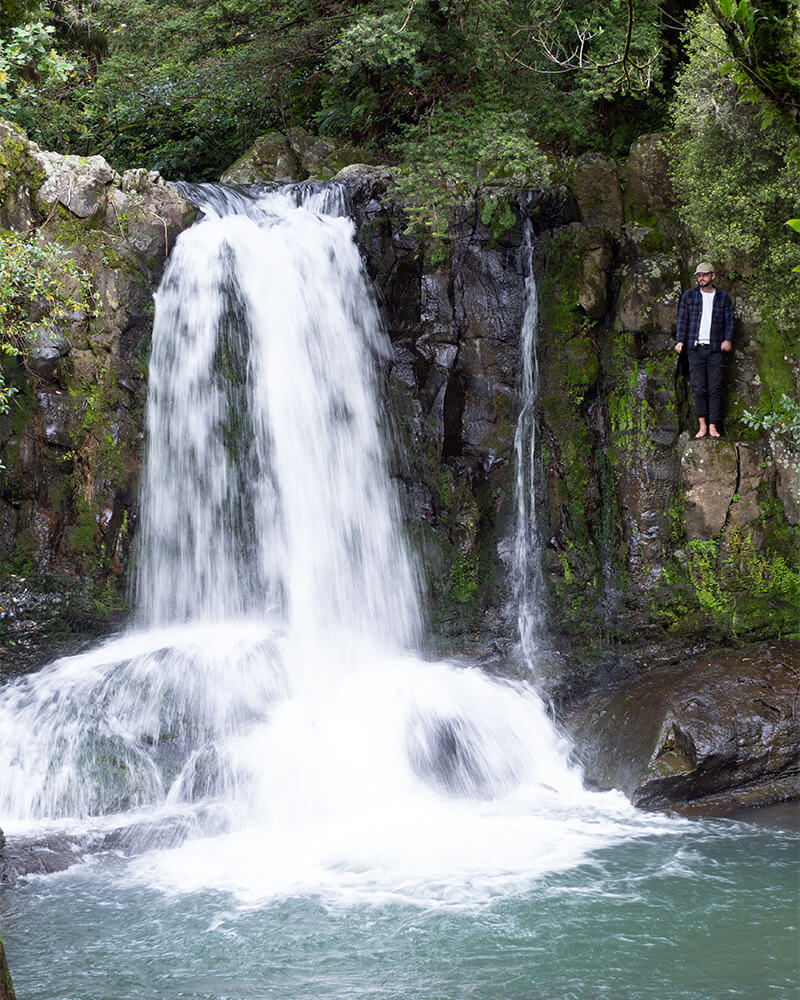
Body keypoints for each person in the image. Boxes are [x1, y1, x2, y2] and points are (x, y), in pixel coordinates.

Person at [675, 262, 734, 438]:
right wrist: (680, 340)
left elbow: (730, 321)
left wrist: (728, 339)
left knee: (715, 389)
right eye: (699, 275)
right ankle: (702, 426)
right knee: (699, 388)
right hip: (695, 348)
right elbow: (682, 319)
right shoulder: (689, 296)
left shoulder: (723, 298)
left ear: (712, 276)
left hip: (716, 348)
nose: (701, 278)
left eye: (704, 275)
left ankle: (713, 427)